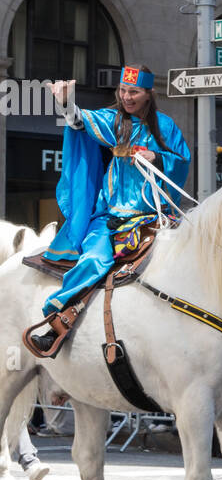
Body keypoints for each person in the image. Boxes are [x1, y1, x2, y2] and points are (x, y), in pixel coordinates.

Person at [26, 66, 190, 354]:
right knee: (94, 259)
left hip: (156, 217)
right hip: (111, 218)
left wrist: (157, 157)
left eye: (134, 92)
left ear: (149, 94)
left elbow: (183, 160)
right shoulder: (113, 121)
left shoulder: (166, 126)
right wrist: (65, 103)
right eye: (123, 91)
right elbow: (80, 121)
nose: (126, 97)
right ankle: (58, 321)